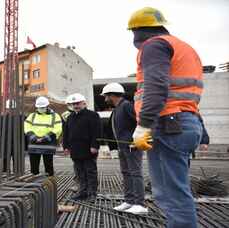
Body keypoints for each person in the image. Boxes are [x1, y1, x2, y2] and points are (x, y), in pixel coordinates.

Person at [129, 7, 203, 227]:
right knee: (172, 191)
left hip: (168, 123)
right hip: (184, 121)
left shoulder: (154, 45)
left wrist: (143, 125)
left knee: (172, 194)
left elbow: (156, 87)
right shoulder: (184, 48)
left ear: (137, 31)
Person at [102, 83, 147, 214]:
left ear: (112, 95)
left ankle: (140, 204)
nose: (105, 99)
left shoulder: (127, 106)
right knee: (126, 173)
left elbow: (140, 122)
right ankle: (129, 201)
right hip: (123, 147)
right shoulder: (117, 109)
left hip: (132, 147)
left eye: (106, 96)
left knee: (135, 173)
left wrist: (136, 141)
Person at [63, 93, 101, 200]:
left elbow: (97, 132)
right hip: (75, 150)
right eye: (74, 104)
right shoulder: (70, 117)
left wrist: (94, 146)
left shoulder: (92, 115)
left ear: (84, 103)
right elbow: (66, 133)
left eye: (78, 103)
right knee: (80, 172)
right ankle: (82, 191)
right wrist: (66, 146)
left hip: (89, 149)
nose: (76, 106)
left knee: (90, 171)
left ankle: (92, 193)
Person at [24, 96, 62, 176]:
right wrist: (33, 137)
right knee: (34, 168)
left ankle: (49, 182)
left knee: (48, 166)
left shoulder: (55, 116)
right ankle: (34, 182)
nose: (41, 109)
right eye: (39, 107)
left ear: (47, 106)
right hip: (34, 144)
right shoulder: (32, 116)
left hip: (48, 144)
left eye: (43, 107)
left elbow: (58, 129)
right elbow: (26, 127)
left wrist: (45, 138)